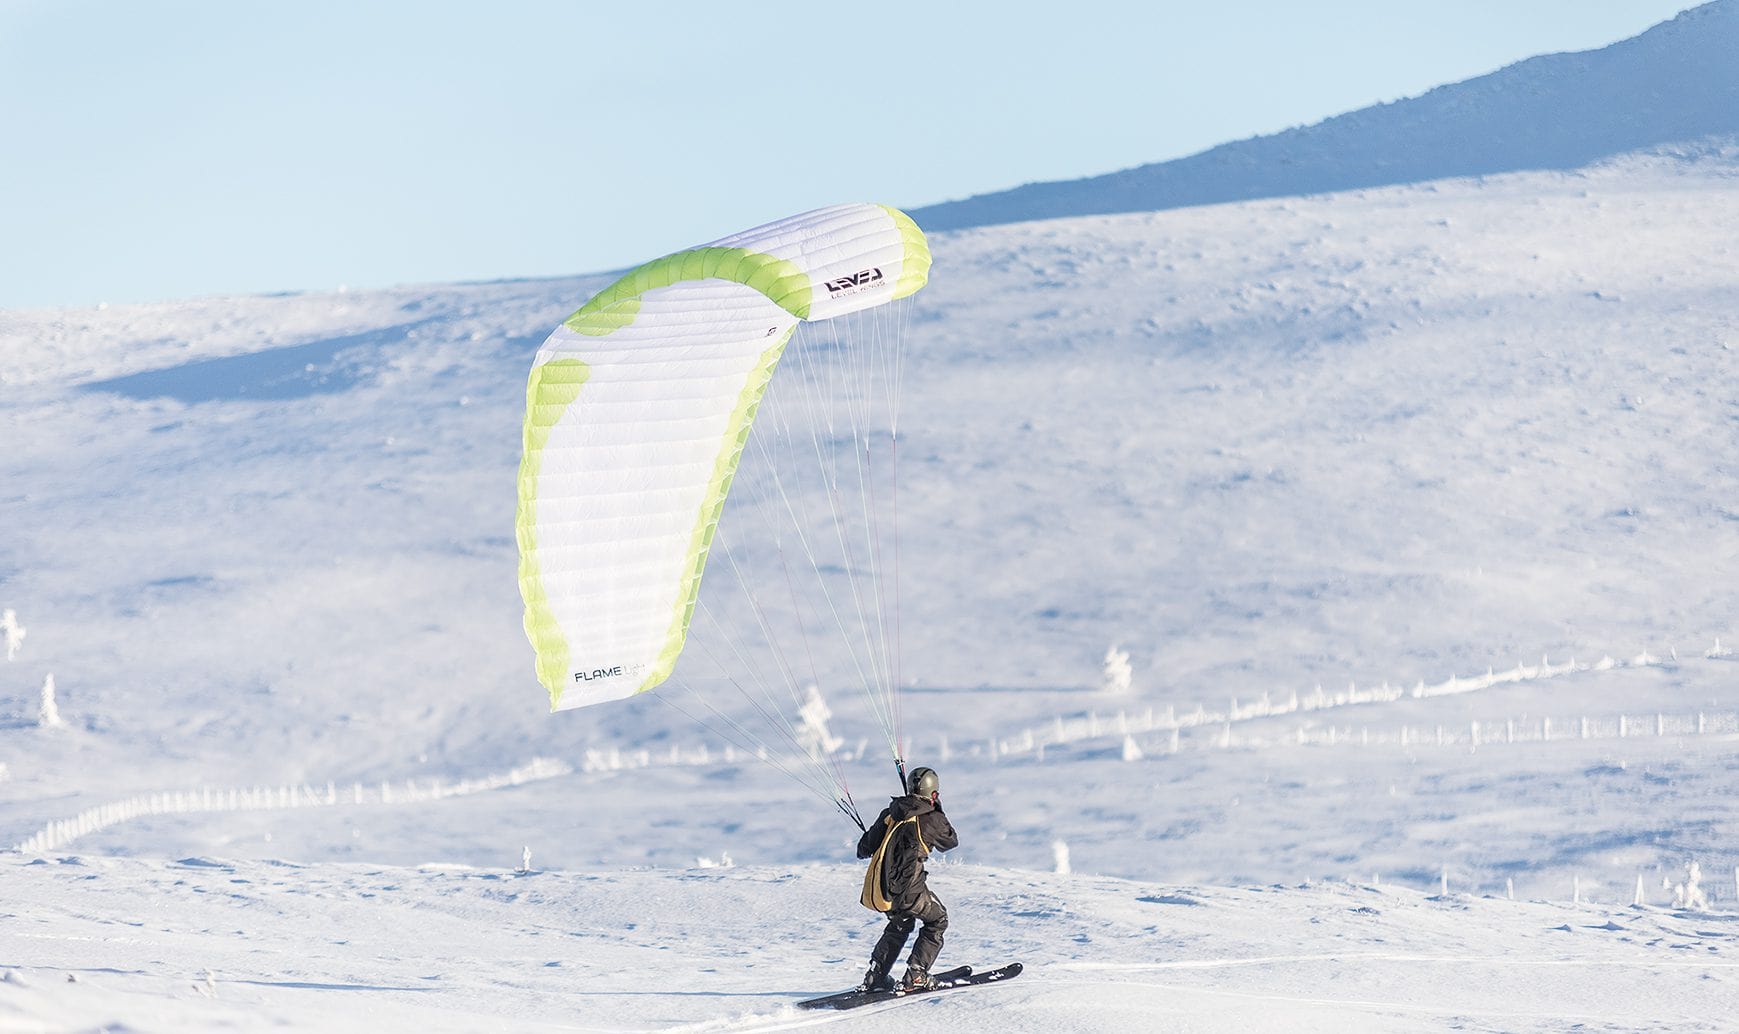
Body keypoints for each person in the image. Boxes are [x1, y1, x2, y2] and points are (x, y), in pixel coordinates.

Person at [855, 766, 958, 992]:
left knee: (901, 922)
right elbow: (951, 841)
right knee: (937, 920)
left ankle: (876, 975)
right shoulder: (932, 819)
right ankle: (917, 973)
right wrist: (936, 808)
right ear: (933, 793)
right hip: (909, 891)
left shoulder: (890, 813)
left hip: (883, 890)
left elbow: (863, 849)